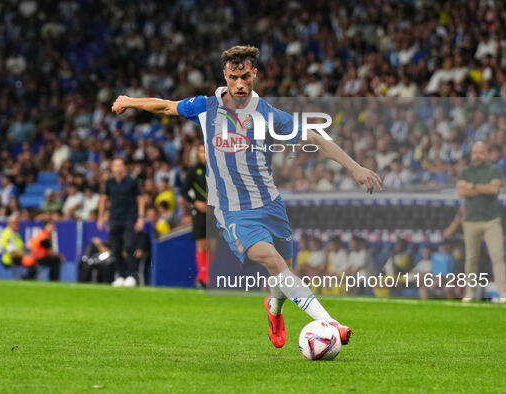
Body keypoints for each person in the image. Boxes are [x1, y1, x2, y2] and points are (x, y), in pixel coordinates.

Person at [111, 45, 382, 348]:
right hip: (233, 211)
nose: (239, 84)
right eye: (233, 77)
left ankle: (274, 309)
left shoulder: (268, 114)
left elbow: (315, 139)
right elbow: (165, 107)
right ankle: (330, 324)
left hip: (270, 204)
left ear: (254, 74)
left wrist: (355, 168)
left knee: (283, 273)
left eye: (244, 77)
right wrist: (129, 101)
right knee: (274, 262)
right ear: (224, 76)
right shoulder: (205, 107)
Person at [457, 141, 506, 302]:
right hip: (471, 221)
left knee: (497, 257)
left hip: (491, 220)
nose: (477, 155)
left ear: (487, 154)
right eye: (475, 152)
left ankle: (503, 293)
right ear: (471, 154)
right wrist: (483, 188)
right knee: (471, 258)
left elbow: (494, 189)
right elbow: (461, 191)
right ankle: (470, 293)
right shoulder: (465, 170)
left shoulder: (494, 170)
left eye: (481, 152)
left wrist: (472, 186)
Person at [97, 158, 146, 287]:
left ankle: (131, 275)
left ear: (124, 167)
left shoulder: (131, 181)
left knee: (129, 246)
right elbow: (103, 199)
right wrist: (101, 216)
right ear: (112, 168)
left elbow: (140, 199)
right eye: (115, 165)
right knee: (115, 248)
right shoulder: (109, 182)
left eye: (120, 165)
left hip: (130, 218)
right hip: (114, 218)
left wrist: (141, 217)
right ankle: (120, 275)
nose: (118, 168)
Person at [181, 144, 217, 288]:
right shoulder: (193, 170)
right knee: (202, 243)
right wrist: (195, 202)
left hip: (214, 211)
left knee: (213, 245)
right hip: (199, 211)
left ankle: (203, 276)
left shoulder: (217, 169)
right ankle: (203, 278)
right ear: (198, 154)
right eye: (202, 151)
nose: (205, 154)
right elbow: (184, 191)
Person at [0, 215, 35, 279]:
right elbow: (11, 250)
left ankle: (27, 277)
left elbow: (20, 247)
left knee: (32, 261)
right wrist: (24, 256)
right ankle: (26, 278)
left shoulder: (15, 233)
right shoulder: (8, 234)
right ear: (9, 224)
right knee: (31, 261)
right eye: (15, 223)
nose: (17, 225)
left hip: (17, 256)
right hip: (10, 258)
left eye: (17, 223)